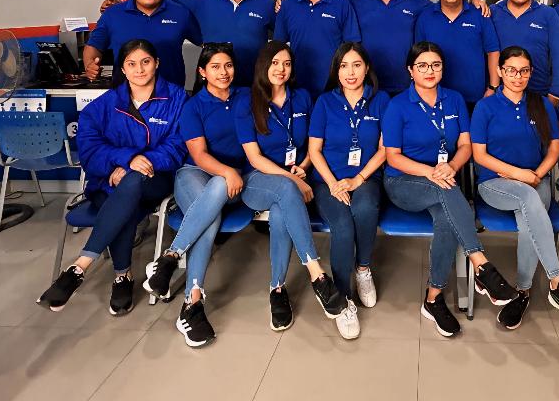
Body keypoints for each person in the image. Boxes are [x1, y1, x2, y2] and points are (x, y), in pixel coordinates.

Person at [37, 39, 187, 315]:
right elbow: (90, 151)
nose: (139, 69)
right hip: (107, 182)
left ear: (156, 64)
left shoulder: (177, 99)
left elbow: (177, 147)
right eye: (131, 64)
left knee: (132, 182)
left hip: (156, 180)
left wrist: (135, 165)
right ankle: (122, 276)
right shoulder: (104, 105)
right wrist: (125, 159)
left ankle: (80, 266)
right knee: (125, 202)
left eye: (145, 62)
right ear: (122, 69)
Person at [382, 41, 517, 337]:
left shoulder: (454, 100)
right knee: (450, 193)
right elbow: (393, 157)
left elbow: (465, 145)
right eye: (422, 65)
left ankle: (433, 298)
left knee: (446, 217)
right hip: (404, 182)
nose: (429, 71)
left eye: (436, 65)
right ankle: (481, 264)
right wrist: (431, 172)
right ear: (410, 70)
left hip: (445, 178)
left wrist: (452, 166)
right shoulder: (397, 105)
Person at [471, 46, 559, 330]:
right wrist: (519, 175)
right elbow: (479, 155)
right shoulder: (485, 107)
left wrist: (537, 174)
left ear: (530, 73)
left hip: (537, 180)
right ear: (500, 71)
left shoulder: (540, 105)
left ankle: (522, 293)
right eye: (511, 70)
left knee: (529, 220)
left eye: (524, 71)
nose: (518, 76)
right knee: (529, 199)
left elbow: (554, 148)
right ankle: (557, 281)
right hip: (494, 183)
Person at [234, 40, 347, 331]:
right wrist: (294, 179)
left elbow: (313, 144)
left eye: (286, 63)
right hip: (257, 180)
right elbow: (254, 158)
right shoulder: (247, 102)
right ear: (263, 65)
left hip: (295, 176)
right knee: (285, 190)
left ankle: (277, 289)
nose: (281, 69)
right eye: (274, 63)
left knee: (281, 211)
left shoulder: (303, 97)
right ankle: (317, 275)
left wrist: (304, 167)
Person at [142, 43, 248, 348]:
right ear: (202, 72)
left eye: (228, 65)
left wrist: (231, 175)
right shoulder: (193, 105)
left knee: (212, 205)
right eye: (215, 66)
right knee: (211, 211)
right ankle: (192, 301)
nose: (223, 72)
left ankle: (170, 257)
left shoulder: (245, 97)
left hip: (233, 182)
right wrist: (227, 172)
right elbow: (199, 156)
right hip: (194, 174)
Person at [308, 42, 390, 339]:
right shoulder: (324, 102)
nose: (350, 72)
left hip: (366, 178)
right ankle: (342, 299)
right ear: (336, 71)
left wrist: (358, 179)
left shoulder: (381, 100)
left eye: (356, 65)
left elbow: (385, 149)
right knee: (342, 226)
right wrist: (332, 183)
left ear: (366, 68)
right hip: (327, 181)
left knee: (365, 207)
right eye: (344, 66)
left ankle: (363, 269)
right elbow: (314, 151)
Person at [85, 0, 201, 87]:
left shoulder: (181, 13)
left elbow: (205, 44)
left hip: (170, 94)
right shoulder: (112, 14)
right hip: (124, 95)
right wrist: (90, 65)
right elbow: (93, 47)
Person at [177, 0, 275, 87]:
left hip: (253, 87)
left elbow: (284, 38)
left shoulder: (266, 4)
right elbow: (164, 6)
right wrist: (194, 37)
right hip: (212, 89)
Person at [274, 0, 361, 98]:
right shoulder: (287, 5)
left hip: (333, 89)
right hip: (296, 89)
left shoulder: (342, 5)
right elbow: (278, 48)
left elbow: (353, 49)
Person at [345, 0, 433, 95]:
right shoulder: (353, 0)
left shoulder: (418, 3)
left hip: (405, 88)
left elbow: (445, 8)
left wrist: (469, 3)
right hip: (365, 87)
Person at [414, 0, 500, 109]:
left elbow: (493, 51)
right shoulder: (425, 17)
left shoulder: (480, 14)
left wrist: (493, 87)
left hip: (475, 98)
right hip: (435, 97)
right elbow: (418, 56)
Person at [490, 0, 559, 106]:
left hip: (539, 93)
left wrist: (556, 93)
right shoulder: (492, 12)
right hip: (501, 95)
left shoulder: (547, 14)